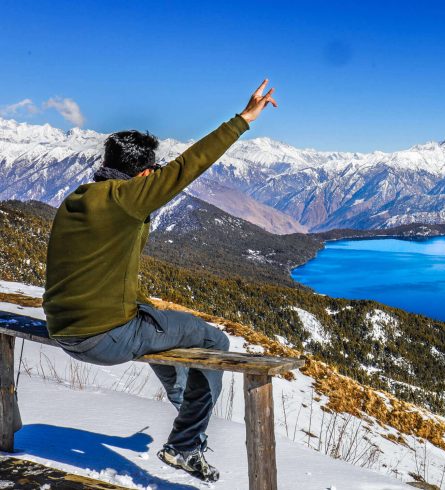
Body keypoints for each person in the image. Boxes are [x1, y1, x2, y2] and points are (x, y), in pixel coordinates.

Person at [42, 79, 278, 482]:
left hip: (64, 328)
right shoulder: (127, 198)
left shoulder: (79, 197)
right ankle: (185, 444)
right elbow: (189, 165)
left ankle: (184, 407)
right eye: (151, 173)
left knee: (158, 323)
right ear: (142, 173)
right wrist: (243, 119)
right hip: (103, 338)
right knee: (213, 340)